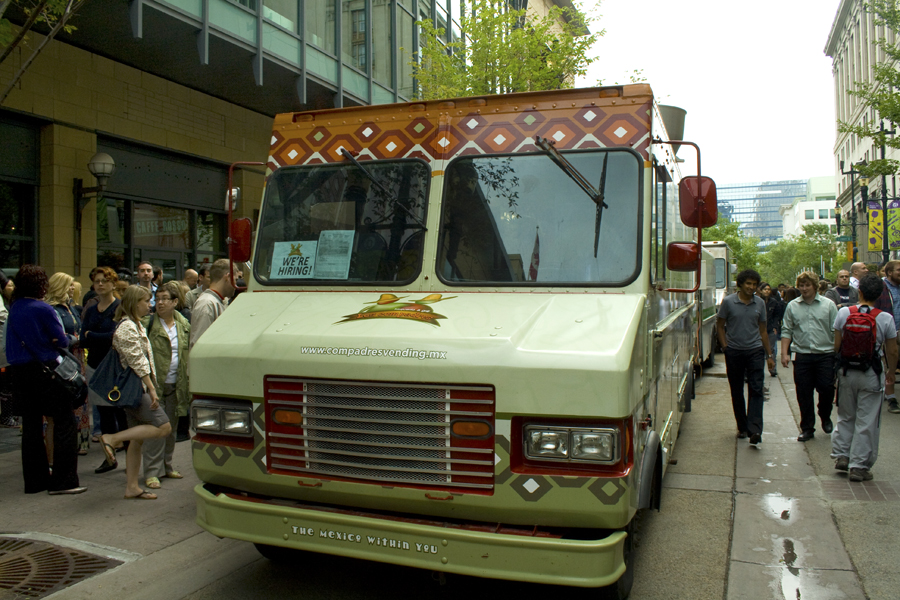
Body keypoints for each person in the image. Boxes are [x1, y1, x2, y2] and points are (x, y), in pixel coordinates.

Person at [5, 265, 86, 495]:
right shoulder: (43, 308)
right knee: (64, 422)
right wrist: (72, 338)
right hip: (47, 371)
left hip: (20, 372)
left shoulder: (15, 307)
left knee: (31, 428)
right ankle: (64, 480)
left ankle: (35, 482)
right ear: (42, 285)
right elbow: (60, 340)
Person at [98, 285, 172, 500]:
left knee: (137, 439)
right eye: (146, 301)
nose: (149, 305)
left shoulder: (135, 324)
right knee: (162, 427)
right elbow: (137, 361)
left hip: (135, 388)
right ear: (134, 302)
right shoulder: (127, 327)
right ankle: (112, 438)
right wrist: (151, 387)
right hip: (137, 389)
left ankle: (131, 486)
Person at [832, 274, 899, 482]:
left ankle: (842, 455)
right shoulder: (886, 318)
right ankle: (858, 465)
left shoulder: (844, 313)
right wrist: (890, 372)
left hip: (847, 372)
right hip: (871, 373)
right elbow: (892, 351)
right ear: (880, 294)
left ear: (859, 291)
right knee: (867, 420)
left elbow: (836, 346)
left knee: (846, 415)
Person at [717, 269, 775, 445]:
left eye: (754, 284)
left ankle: (755, 429)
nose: (751, 287)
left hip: (755, 350)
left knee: (757, 389)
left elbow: (763, 330)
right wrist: (725, 347)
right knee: (737, 390)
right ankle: (742, 427)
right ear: (740, 284)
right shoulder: (728, 302)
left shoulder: (759, 303)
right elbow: (720, 326)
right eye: (748, 284)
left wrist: (769, 355)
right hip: (734, 351)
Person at [140, 282, 190, 488]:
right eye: (157, 299)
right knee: (155, 430)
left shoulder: (183, 325)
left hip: (177, 385)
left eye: (164, 299)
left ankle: (167, 466)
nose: (159, 303)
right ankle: (152, 472)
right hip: (156, 386)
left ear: (175, 302)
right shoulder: (148, 324)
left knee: (171, 429)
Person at [780, 271, 838, 442]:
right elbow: (787, 330)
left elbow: (836, 331)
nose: (804, 289)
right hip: (803, 355)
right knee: (803, 393)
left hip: (825, 354)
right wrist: (784, 353)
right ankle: (807, 428)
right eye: (801, 285)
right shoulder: (792, 306)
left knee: (827, 388)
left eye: (807, 285)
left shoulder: (828, 305)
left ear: (815, 286)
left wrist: (837, 353)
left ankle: (824, 414)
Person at [81, 266, 128, 474]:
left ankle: (131, 456)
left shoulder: (120, 307)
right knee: (103, 414)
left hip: (114, 367)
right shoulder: (91, 309)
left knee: (121, 412)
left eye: (104, 281)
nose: (100, 284)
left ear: (113, 283)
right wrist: (92, 337)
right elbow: (83, 338)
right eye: (96, 281)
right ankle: (109, 457)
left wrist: (93, 336)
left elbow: (115, 337)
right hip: (94, 366)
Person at [47, 272, 90, 455]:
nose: (72, 288)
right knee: (64, 403)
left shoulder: (71, 307)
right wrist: (74, 339)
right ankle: (58, 449)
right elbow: (58, 337)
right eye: (68, 284)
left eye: (73, 284)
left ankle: (78, 444)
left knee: (79, 400)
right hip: (63, 360)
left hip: (78, 358)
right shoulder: (53, 309)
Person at [190, 259, 236, 349]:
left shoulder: (217, 302)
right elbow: (200, 347)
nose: (236, 285)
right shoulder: (206, 304)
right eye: (235, 279)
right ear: (228, 276)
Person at [757, 282, 784, 377]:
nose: (767, 291)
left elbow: (777, 315)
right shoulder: (757, 301)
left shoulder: (774, 302)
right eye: (765, 289)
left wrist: (775, 327)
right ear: (761, 290)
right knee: (759, 350)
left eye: (768, 289)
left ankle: (772, 368)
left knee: (771, 349)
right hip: (758, 330)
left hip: (770, 329)